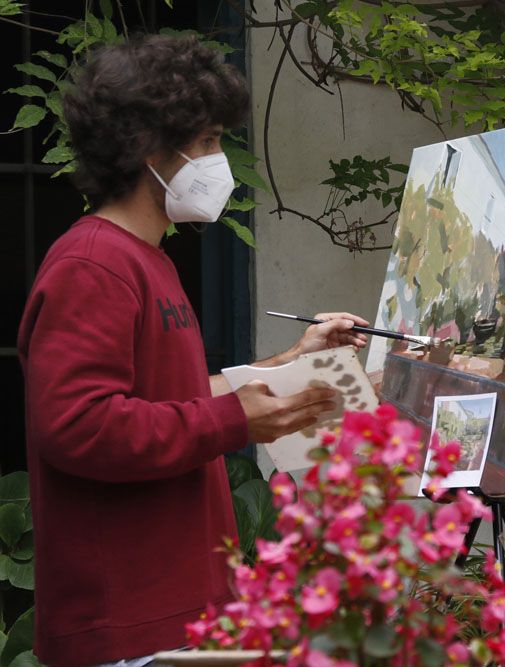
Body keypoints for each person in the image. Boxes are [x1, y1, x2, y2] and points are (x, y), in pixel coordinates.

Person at [17, 35, 369, 667]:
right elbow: (76, 425)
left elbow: (170, 400)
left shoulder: (145, 259)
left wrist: (290, 361)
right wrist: (237, 420)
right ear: (147, 147)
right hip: (125, 627)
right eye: (207, 141)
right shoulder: (93, 264)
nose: (218, 159)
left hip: (167, 618)